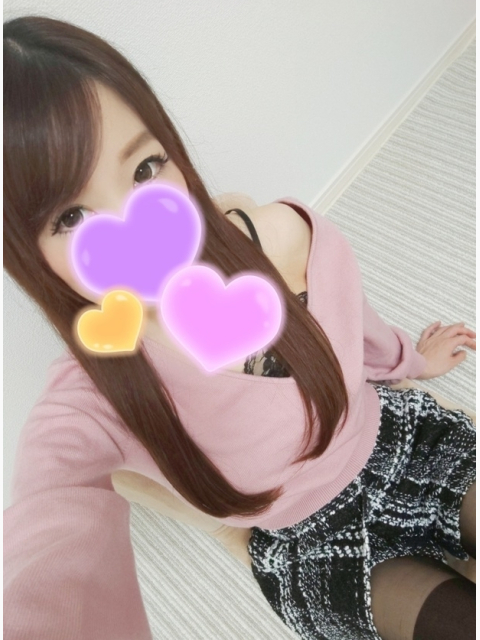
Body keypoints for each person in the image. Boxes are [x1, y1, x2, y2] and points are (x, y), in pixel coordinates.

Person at [3, 15, 476, 640]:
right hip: (311, 544)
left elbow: (354, 321)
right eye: (70, 217)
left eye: (144, 169)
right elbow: (46, 547)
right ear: (28, 255)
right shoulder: (92, 395)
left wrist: (410, 361)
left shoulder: (280, 235)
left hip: (396, 439)